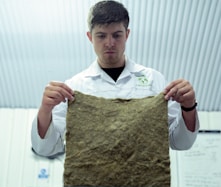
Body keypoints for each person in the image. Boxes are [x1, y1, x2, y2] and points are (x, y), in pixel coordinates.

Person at [31, 0, 199, 158]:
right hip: (90, 184)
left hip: (143, 183)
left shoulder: (153, 79)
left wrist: (188, 106)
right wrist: (45, 110)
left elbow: (180, 143)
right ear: (90, 37)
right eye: (101, 36)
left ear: (127, 34)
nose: (109, 43)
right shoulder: (74, 86)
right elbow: (46, 148)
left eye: (117, 35)